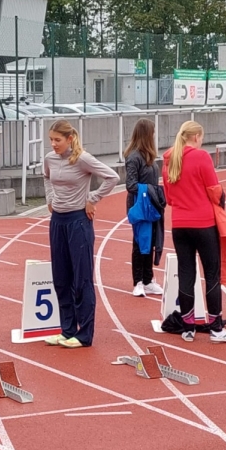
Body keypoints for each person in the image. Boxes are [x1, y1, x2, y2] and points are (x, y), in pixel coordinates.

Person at [43, 120, 119, 348]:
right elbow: (46, 177)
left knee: (81, 279)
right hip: (58, 221)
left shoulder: (82, 159)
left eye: (57, 140)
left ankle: (84, 334)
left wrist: (92, 199)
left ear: (70, 139)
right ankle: (67, 330)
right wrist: (49, 199)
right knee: (61, 278)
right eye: (51, 140)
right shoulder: (49, 159)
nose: (53, 144)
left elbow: (112, 177)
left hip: (78, 221)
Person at [162, 120, 226, 343]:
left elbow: (168, 197)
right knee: (211, 274)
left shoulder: (168, 159)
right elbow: (214, 190)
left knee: (186, 273)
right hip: (204, 223)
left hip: (179, 224)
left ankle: (188, 327)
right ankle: (216, 328)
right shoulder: (201, 157)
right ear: (196, 137)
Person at [125, 118, 165, 297]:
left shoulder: (148, 156)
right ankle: (138, 281)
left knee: (150, 242)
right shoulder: (134, 157)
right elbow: (131, 185)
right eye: (152, 132)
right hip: (140, 206)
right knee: (140, 242)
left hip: (151, 205)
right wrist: (150, 190)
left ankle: (148, 280)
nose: (154, 135)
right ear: (146, 134)